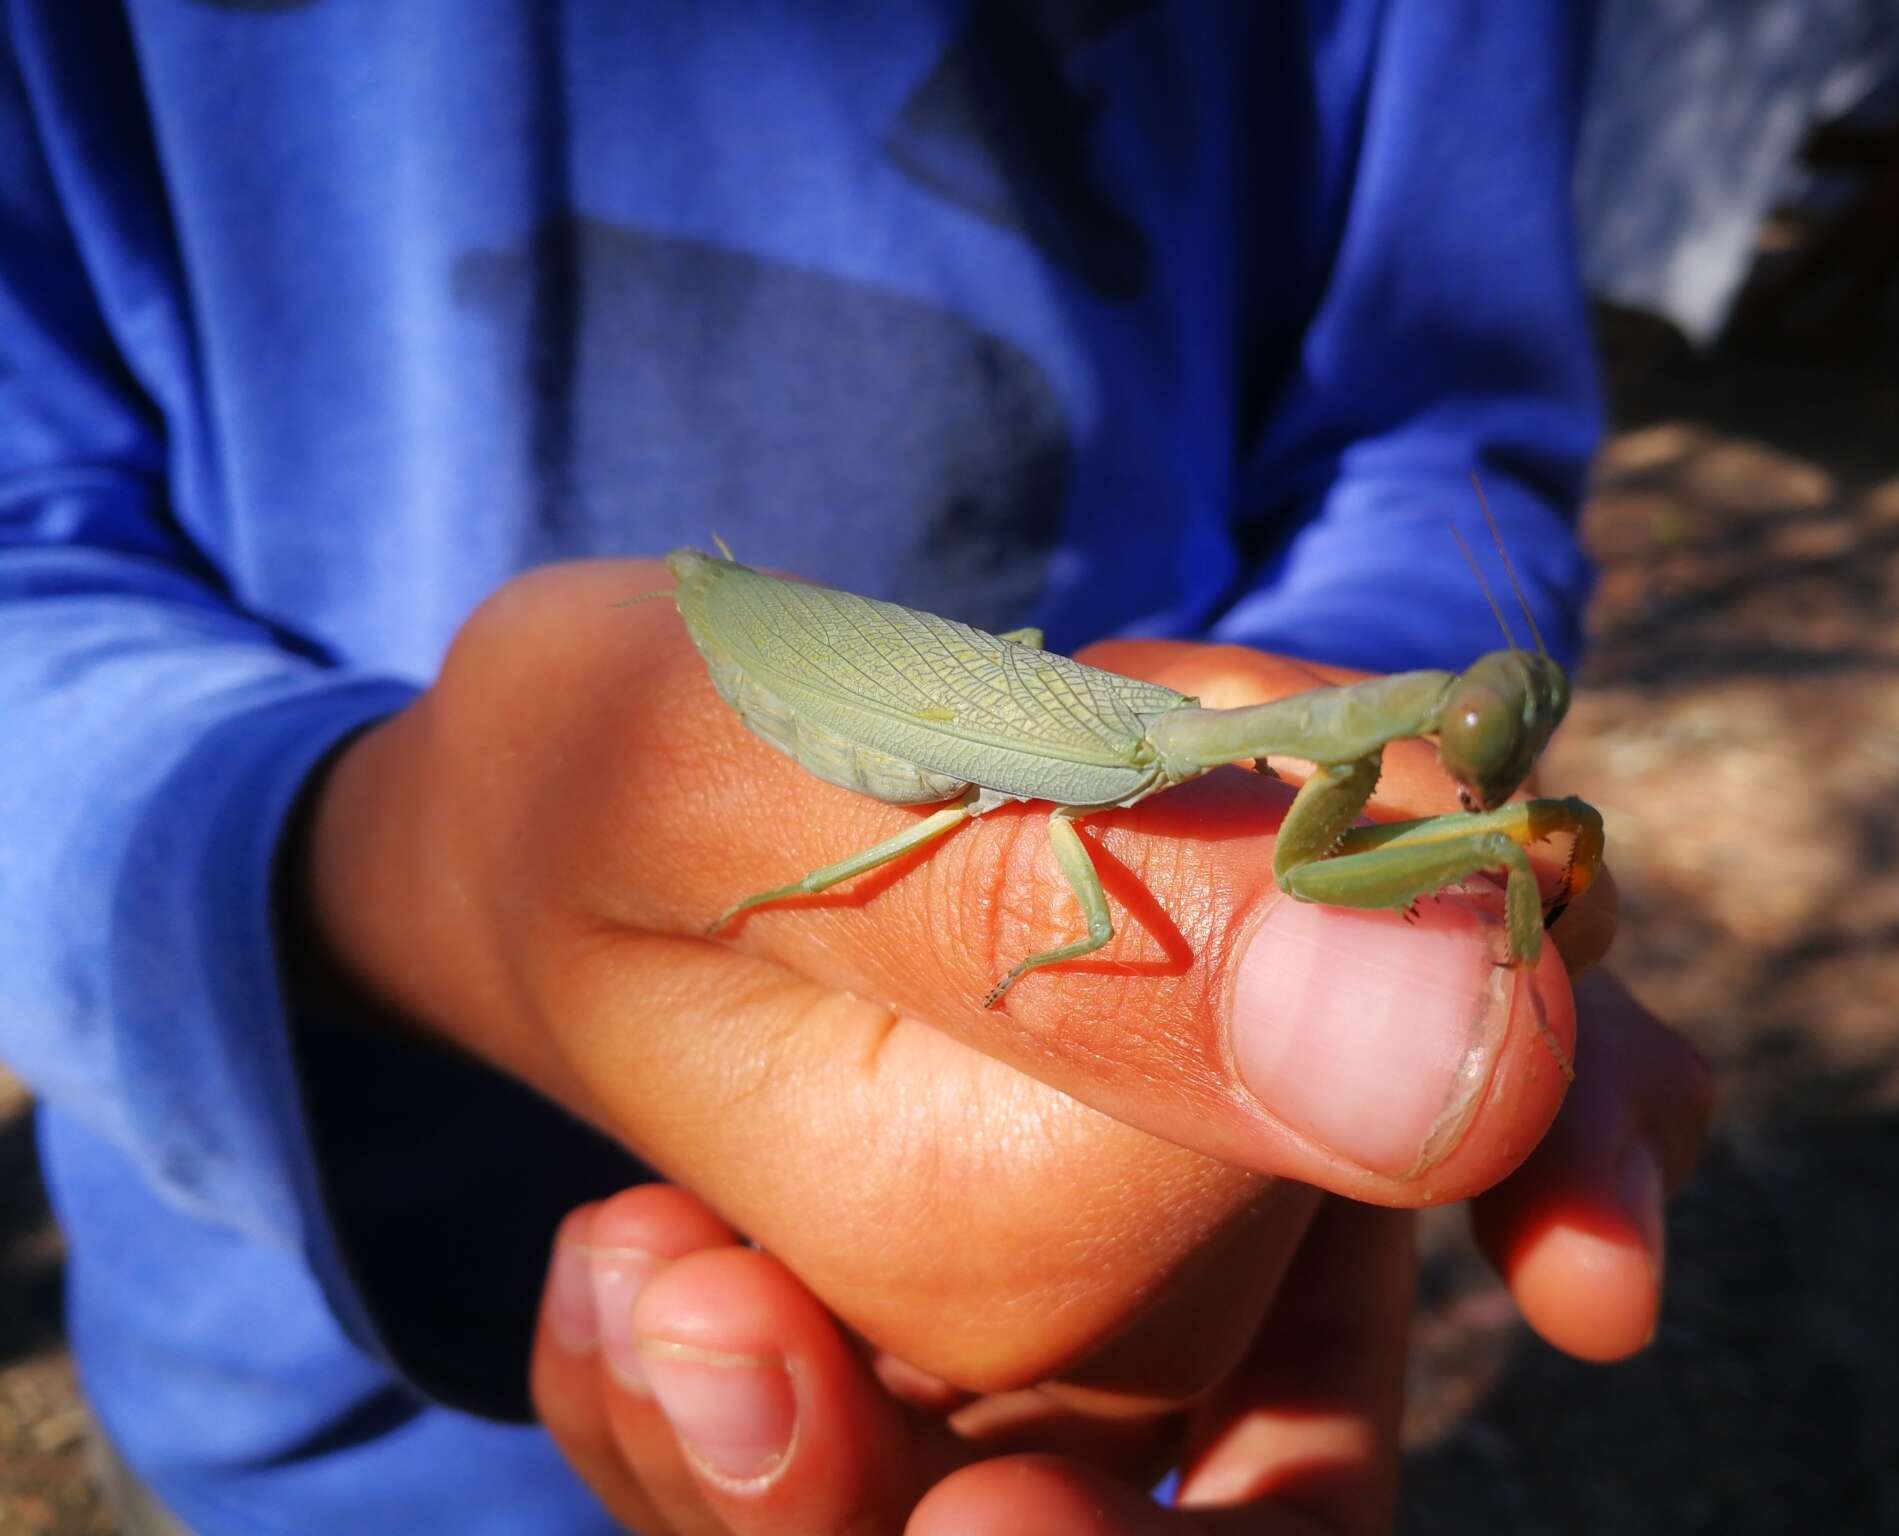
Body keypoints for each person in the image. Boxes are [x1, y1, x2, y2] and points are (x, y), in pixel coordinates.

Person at [0, 4, 1709, 1532]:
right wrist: (397, 864)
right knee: (997, 893)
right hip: (327, 1413)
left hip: (1032, 1400)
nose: (1481, 760)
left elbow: (1434, 437)